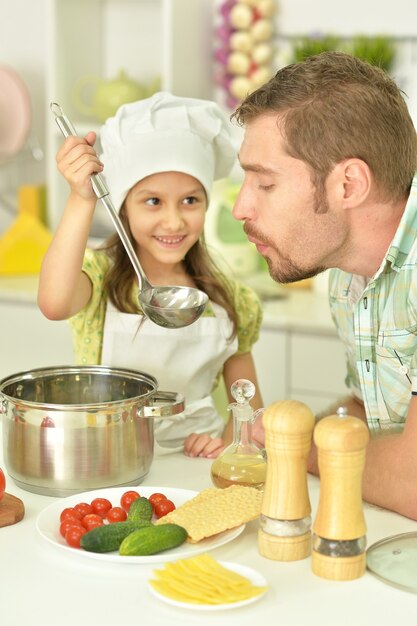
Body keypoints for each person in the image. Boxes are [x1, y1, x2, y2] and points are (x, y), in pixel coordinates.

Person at [230, 51, 417, 520]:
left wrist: (293, 445)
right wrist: (280, 436)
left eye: (265, 184)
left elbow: (413, 481)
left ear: (349, 184)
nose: (240, 208)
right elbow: (367, 410)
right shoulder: (348, 278)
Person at [38, 92, 263, 458]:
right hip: (107, 464)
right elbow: (53, 303)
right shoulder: (99, 279)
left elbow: (249, 413)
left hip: (195, 471)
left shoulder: (232, 299)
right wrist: (82, 199)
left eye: (190, 200)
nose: (173, 221)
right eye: (153, 201)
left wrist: (223, 444)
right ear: (123, 207)